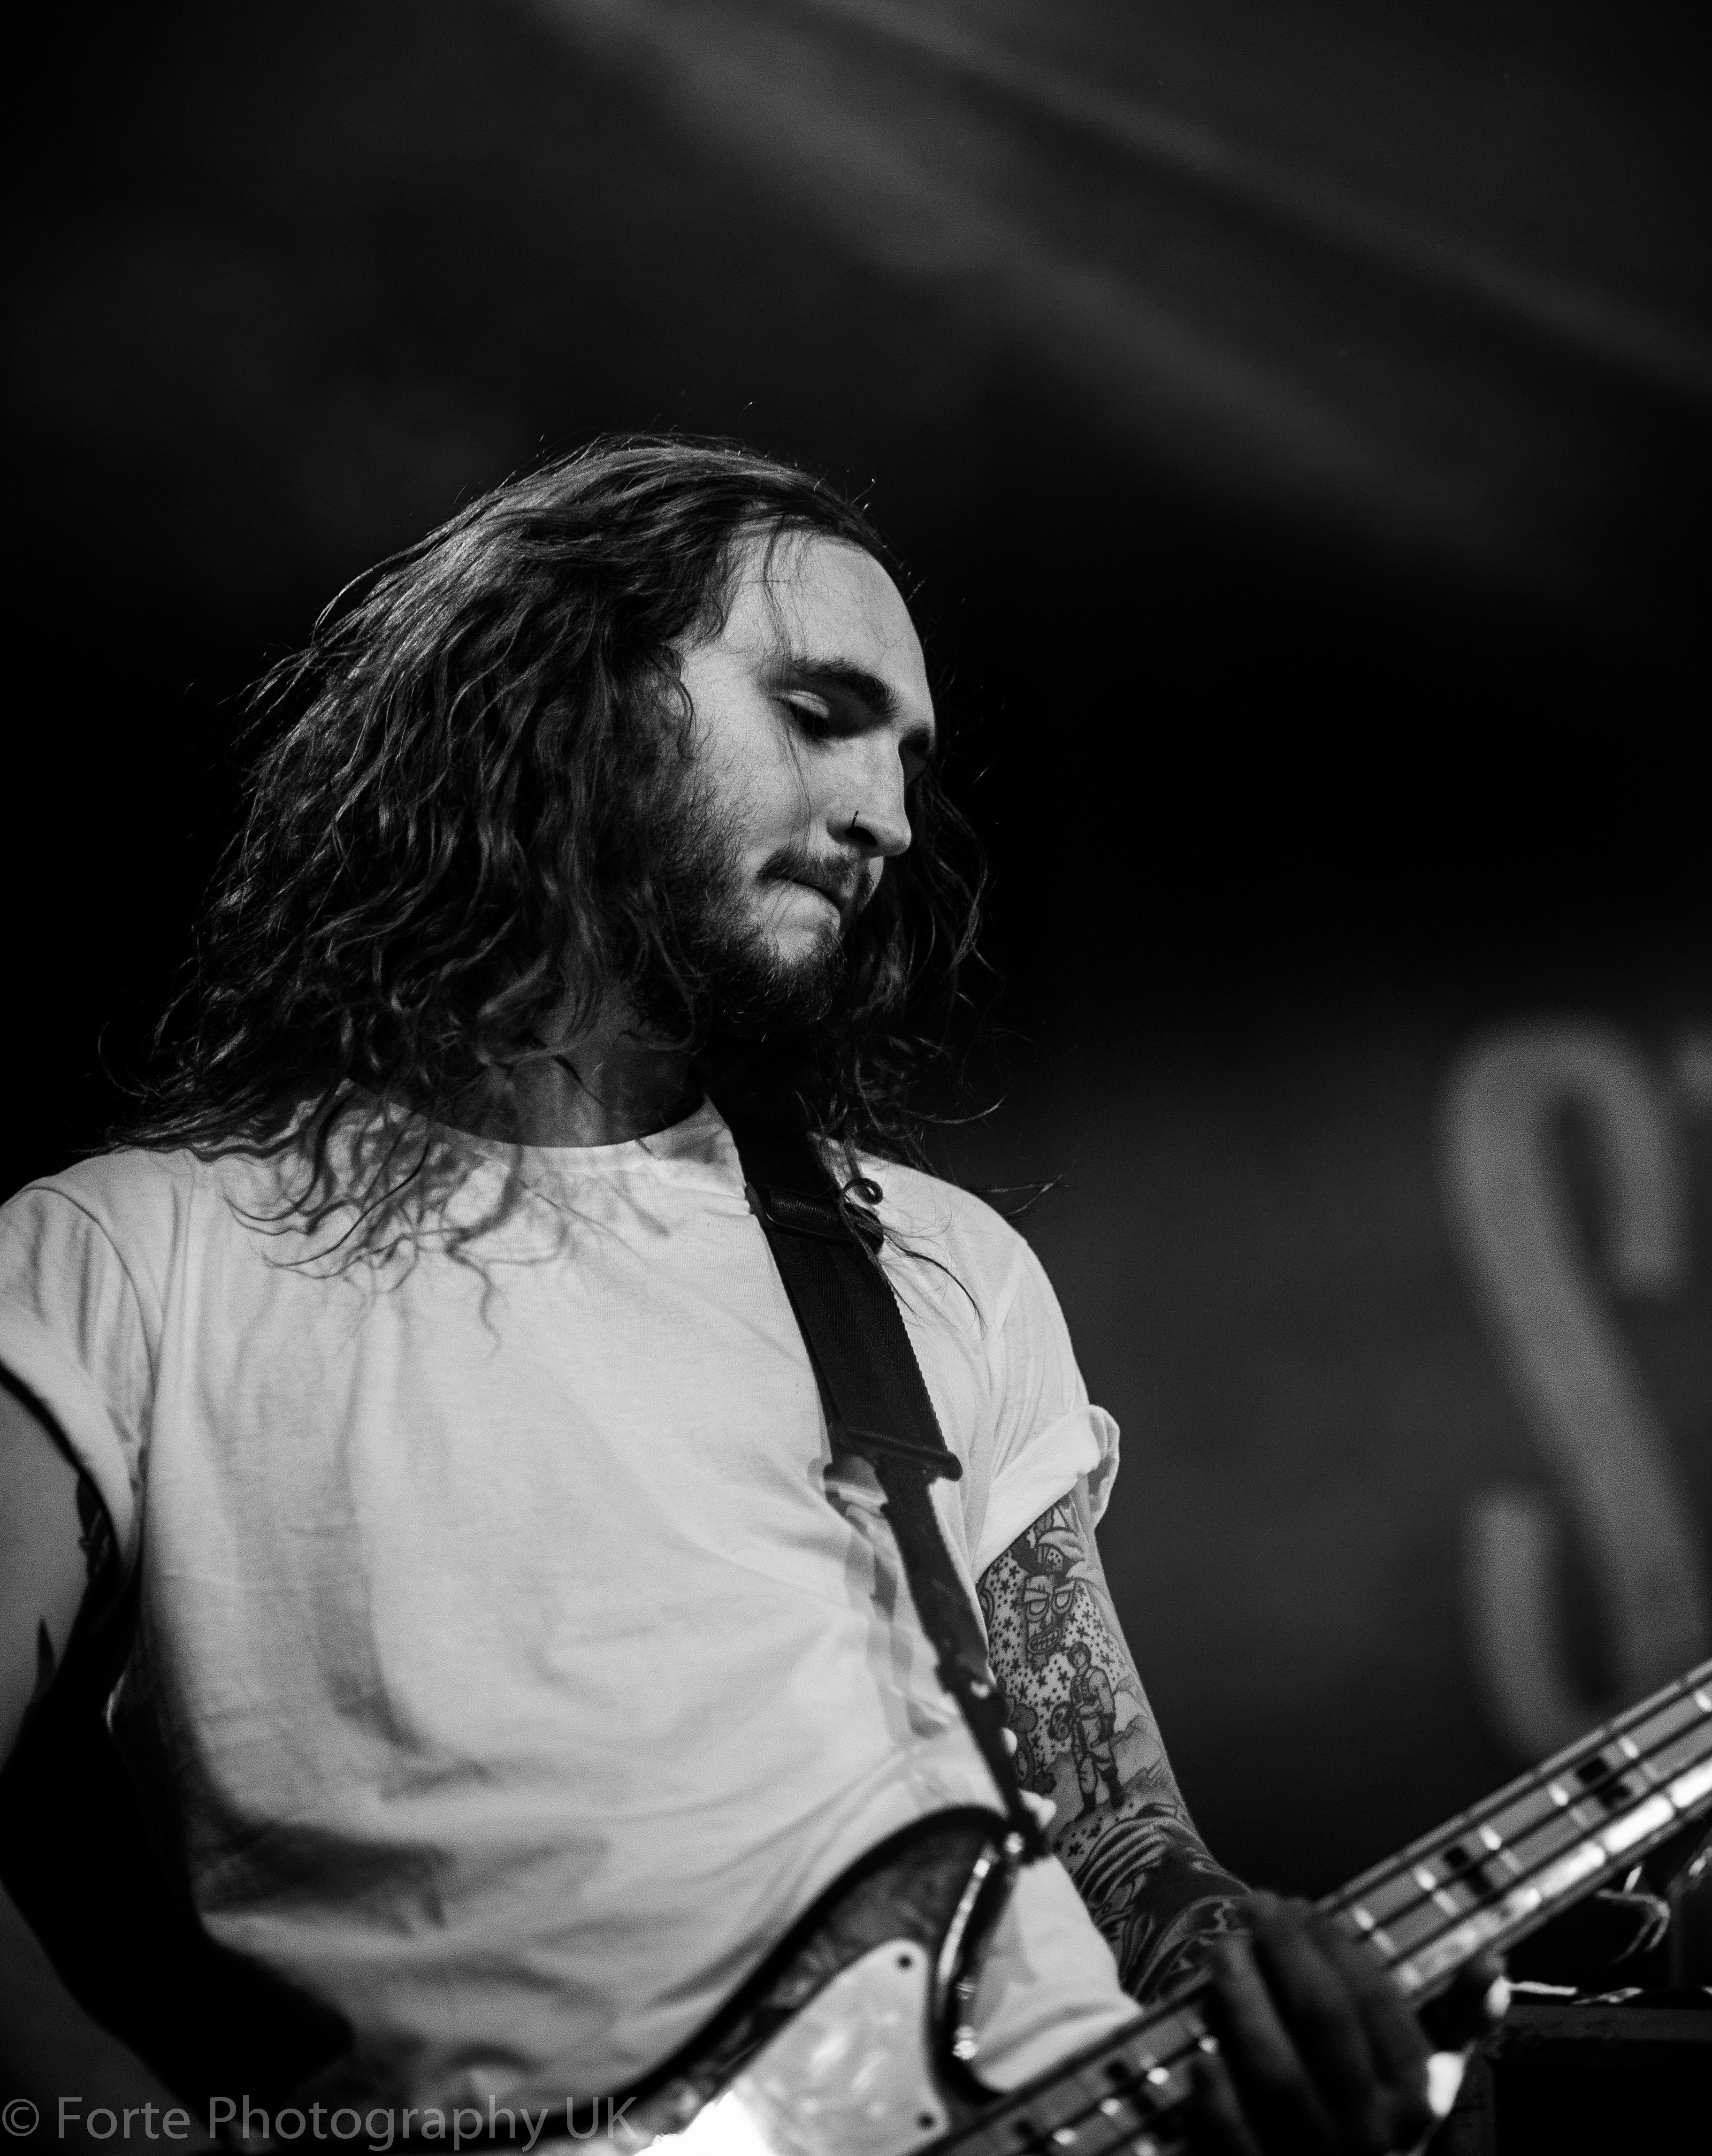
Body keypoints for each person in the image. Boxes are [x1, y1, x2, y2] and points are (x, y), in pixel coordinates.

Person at [0, 441, 1437, 2154]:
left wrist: (1260, 1973)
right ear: (564, 699)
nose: (887, 815)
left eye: (909, 761)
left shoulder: (934, 1264)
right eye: (821, 715)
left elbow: (1120, 1843)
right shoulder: (127, 1262)